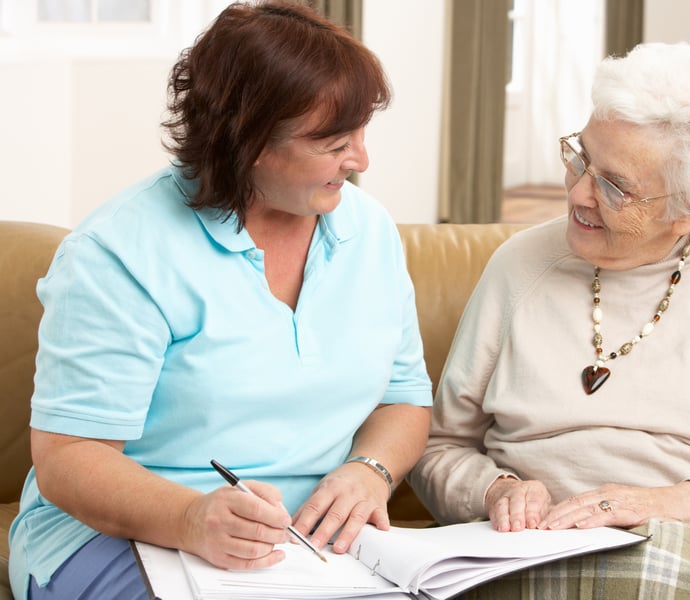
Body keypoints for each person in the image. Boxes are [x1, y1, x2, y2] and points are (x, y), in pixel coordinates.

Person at [408, 42, 690, 599]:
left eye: (614, 185)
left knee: (645, 582)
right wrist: (494, 489)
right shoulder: (520, 265)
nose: (577, 192)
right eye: (581, 157)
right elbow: (437, 446)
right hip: (526, 542)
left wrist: (679, 502)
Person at [9, 2, 433, 598]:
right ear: (250, 140)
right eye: (333, 141)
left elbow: (404, 399)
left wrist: (370, 471)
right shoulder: (119, 251)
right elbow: (69, 456)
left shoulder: (370, 232)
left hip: (314, 543)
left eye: (361, 131)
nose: (361, 159)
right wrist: (190, 517)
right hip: (119, 536)